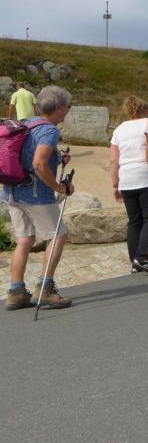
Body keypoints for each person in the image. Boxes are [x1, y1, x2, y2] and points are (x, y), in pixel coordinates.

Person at [3, 85, 74, 310]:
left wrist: (57, 158)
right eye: (68, 106)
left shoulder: (27, 123)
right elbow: (38, 163)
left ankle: (16, 292)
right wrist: (60, 187)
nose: (69, 110)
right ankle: (45, 289)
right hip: (35, 195)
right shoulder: (49, 130)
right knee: (58, 235)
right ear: (59, 107)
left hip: (12, 191)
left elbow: (28, 155)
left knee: (24, 240)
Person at [110, 96, 148, 276]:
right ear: (144, 109)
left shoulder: (119, 130)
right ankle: (142, 257)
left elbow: (114, 160)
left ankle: (134, 262)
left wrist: (115, 184)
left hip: (126, 179)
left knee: (134, 221)